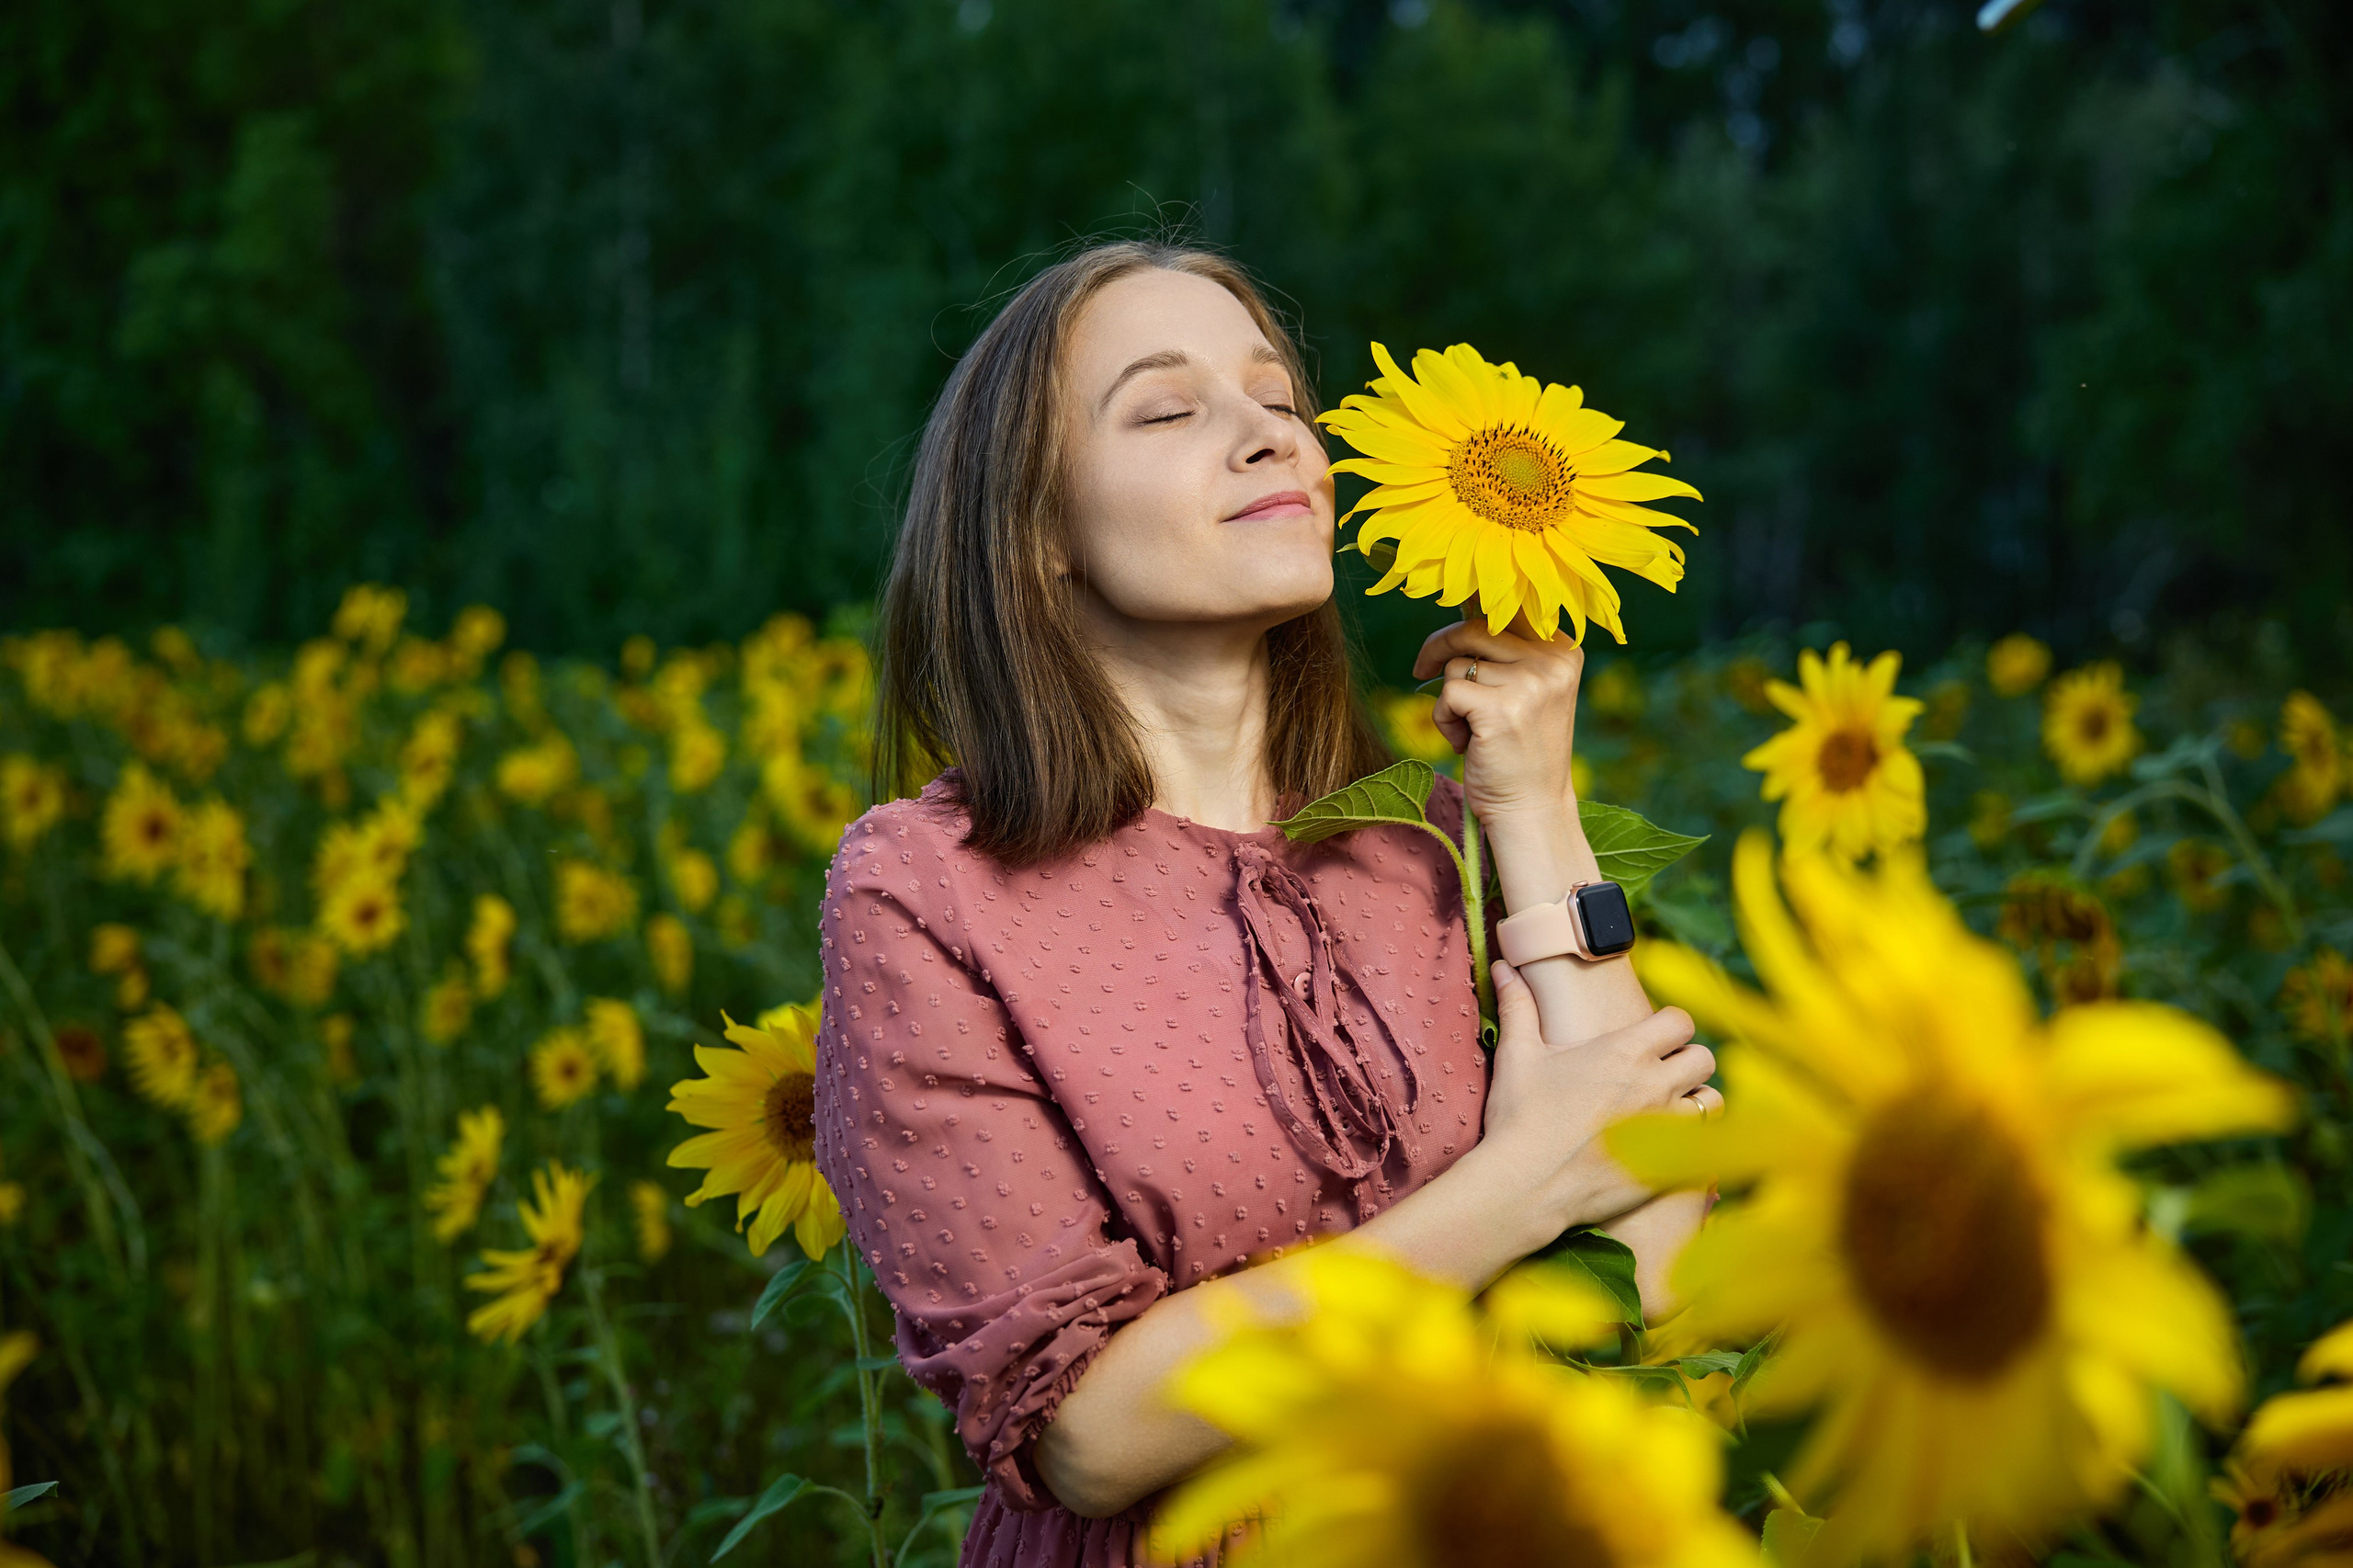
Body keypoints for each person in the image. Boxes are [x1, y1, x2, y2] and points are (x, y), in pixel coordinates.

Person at [811, 240, 1721, 1568]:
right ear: (1037, 530)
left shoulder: (1433, 837)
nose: (1272, 441)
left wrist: (1533, 801)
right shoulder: (930, 884)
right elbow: (1088, 1429)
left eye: (1282, 402)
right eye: (1170, 409)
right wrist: (1520, 1184)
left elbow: (1650, 1272)